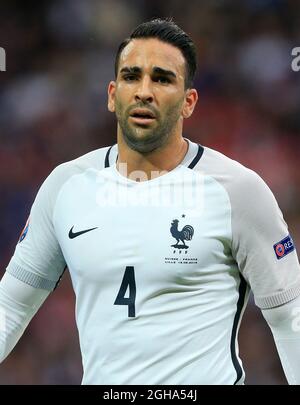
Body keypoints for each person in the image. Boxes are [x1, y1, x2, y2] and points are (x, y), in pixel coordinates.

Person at [0, 18, 300, 385]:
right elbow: (11, 305)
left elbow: (290, 315)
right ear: (112, 94)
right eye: (131, 76)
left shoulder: (237, 190)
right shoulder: (66, 185)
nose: (144, 91)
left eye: (162, 78)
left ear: (189, 102)